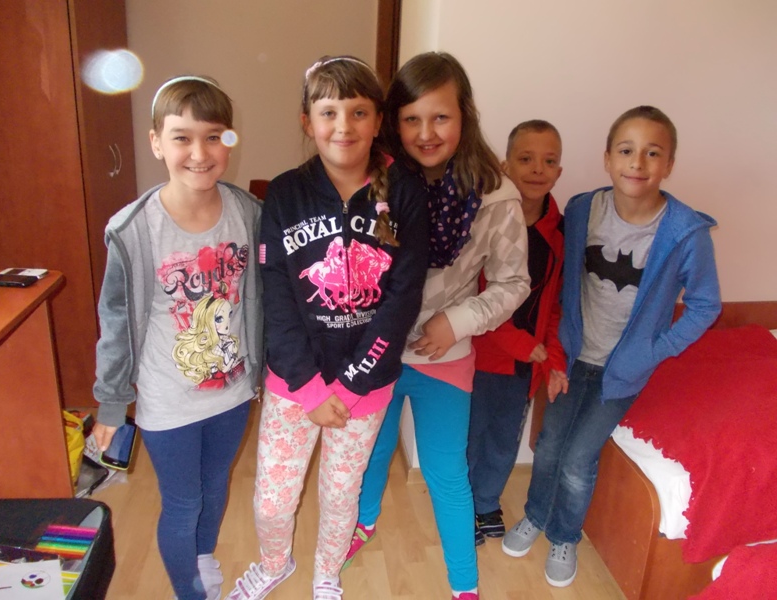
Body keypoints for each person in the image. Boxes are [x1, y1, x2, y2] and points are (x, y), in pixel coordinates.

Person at [224, 55, 429, 600]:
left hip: (367, 385)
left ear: (378, 120)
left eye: (359, 112)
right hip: (295, 383)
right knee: (273, 500)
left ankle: (326, 574)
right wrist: (310, 387)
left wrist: (355, 381)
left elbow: (403, 298)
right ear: (307, 121)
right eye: (329, 112)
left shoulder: (406, 194)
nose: (344, 126)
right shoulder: (284, 193)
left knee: (341, 496)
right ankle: (275, 563)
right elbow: (276, 295)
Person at [502, 105, 721, 587]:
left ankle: (564, 535)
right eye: (626, 150)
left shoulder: (685, 232)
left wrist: (655, 351)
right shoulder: (583, 210)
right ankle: (536, 514)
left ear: (669, 164)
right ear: (607, 158)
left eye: (652, 153)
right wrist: (553, 345)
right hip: (572, 355)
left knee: (579, 458)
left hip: (624, 369)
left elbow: (706, 305)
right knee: (550, 443)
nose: (637, 163)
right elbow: (560, 279)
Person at [347, 52, 531, 600]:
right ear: (393, 121)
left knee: (446, 472)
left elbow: (513, 283)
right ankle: (361, 524)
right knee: (369, 454)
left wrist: (457, 321)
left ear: (464, 115)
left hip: (443, 357)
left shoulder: (497, 194)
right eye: (412, 119)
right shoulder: (374, 182)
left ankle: (464, 586)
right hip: (376, 352)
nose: (426, 133)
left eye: (441, 117)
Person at [91, 75, 263, 600]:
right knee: (184, 503)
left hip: (232, 392)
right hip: (167, 400)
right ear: (156, 143)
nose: (199, 153)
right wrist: (111, 402)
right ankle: (189, 593)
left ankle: (202, 558)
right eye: (182, 137)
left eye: (213, 137)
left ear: (229, 141)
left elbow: (265, 298)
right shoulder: (133, 230)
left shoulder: (249, 214)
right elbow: (115, 321)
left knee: (216, 486)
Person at [468, 120, 568, 546]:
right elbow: (476, 295)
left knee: (504, 439)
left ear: (559, 171)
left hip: (525, 365)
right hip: (480, 355)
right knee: (470, 436)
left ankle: (486, 502)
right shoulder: (484, 219)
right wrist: (521, 345)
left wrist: (552, 358)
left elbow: (557, 303)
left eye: (549, 161)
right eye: (526, 159)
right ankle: (462, 506)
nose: (537, 169)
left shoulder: (559, 233)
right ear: (505, 165)